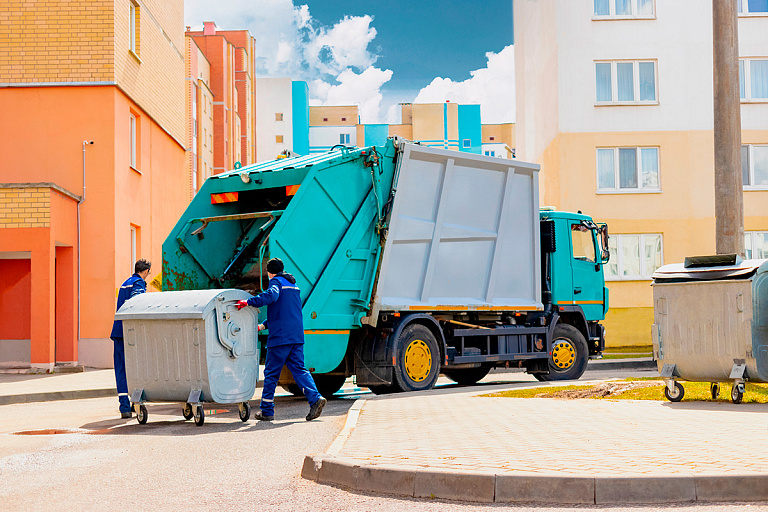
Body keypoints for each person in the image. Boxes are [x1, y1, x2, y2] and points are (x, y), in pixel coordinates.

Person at [237, 257, 326, 421]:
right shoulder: (292, 285)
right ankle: (315, 399)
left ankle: (266, 411)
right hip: (296, 335)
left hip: (281, 338)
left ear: (269, 272)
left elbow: (271, 296)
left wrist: (248, 302)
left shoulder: (276, 282)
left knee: (271, 374)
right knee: (299, 370)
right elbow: (284, 311)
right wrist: (263, 325)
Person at [110, 259, 151, 418]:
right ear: (146, 271)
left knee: (121, 369)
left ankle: (124, 407)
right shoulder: (139, 283)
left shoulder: (124, 283)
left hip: (117, 330)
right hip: (130, 333)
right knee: (135, 368)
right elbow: (137, 303)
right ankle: (136, 402)